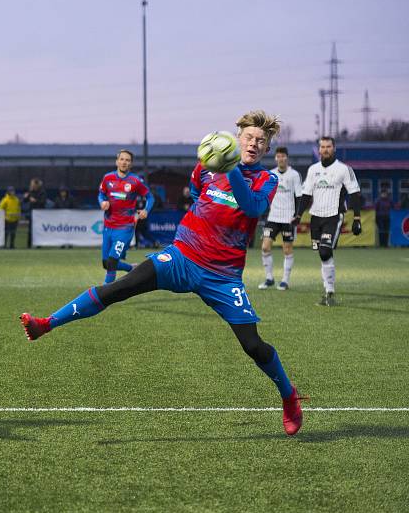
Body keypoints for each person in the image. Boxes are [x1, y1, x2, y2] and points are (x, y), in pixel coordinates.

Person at [20, 111, 306, 436]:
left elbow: (252, 208)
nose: (254, 143)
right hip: (182, 255)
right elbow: (197, 194)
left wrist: (230, 170)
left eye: (261, 141)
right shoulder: (206, 168)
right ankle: (46, 324)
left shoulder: (266, 179)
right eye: (249, 137)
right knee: (119, 288)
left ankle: (289, 396)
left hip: (222, 276)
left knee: (253, 346)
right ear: (237, 137)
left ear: (267, 149)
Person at [292, 136, 362, 306]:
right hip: (316, 217)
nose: (325, 149)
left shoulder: (344, 169)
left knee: (325, 250)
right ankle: (327, 291)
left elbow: (355, 193)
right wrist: (299, 215)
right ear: (319, 149)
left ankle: (329, 292)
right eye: (322, 147)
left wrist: (357, 218)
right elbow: (306, 194)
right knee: (323, 255)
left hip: (334, 215)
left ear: (334, 148)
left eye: (328, 146)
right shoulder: (313, 169)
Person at [98, 149, 154, 283]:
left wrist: (146, 210)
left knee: (112, 261)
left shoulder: (135, 181)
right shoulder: (108, 178)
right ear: (117, 161)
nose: (124, 162)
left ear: (131, 164)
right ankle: (131, 268)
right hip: (108, 226)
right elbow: (101, 194)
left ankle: (105, 294)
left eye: (127, 160)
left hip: (125, 228)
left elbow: (150, 197)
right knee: (106, 263)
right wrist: (102, 202)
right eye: (122, 159)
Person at [258, 147, 302, 290]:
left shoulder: (294, 175)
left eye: (283, 156)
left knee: (287, 249)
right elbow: (265, 194)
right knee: (265, 247)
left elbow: (299, 197)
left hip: (288, 218)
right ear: (275, 158)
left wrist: (297, 215)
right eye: (278, 156)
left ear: (287, 158)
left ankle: (285, 280)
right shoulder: (270, 174)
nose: (281, 158)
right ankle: (269, 278)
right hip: (273, 216)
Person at [23, 178, 47, 247]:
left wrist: (35, 201)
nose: (32, 186)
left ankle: (39, 244)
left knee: (39, 229)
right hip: (32, 212)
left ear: (37, 185)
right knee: (30, 229)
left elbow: (43, 202)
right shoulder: (30, 191)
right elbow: (25, 201)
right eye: (31, 185)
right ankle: (29, 245)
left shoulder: (42, 192)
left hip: (40, 213)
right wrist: (25, 197)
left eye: (33, 185)